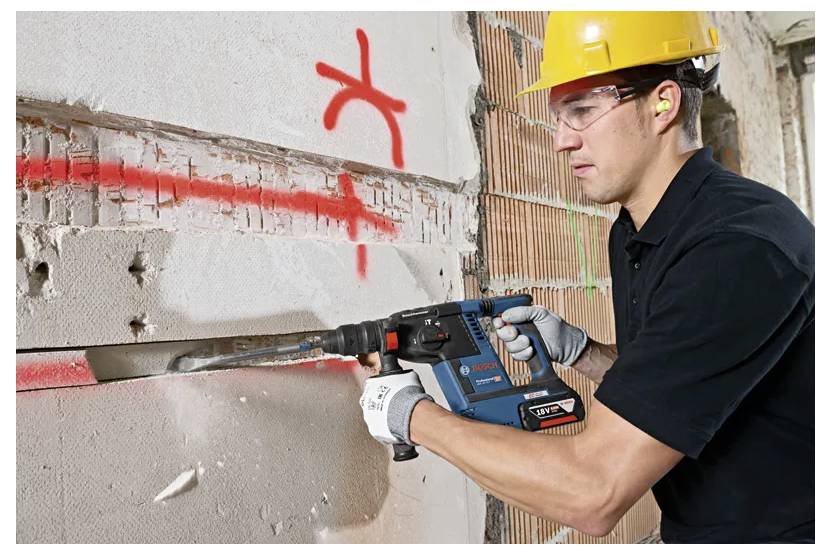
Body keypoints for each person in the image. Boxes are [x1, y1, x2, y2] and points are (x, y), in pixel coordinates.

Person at [357, 12, 815, 543]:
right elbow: (686, 383)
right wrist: (583, 352)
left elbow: (592, 491)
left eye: (581, 110)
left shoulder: (736, 247)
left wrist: (410, 415)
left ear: (663, 103)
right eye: (558, 116)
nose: (560, 141)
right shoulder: (637, 229)